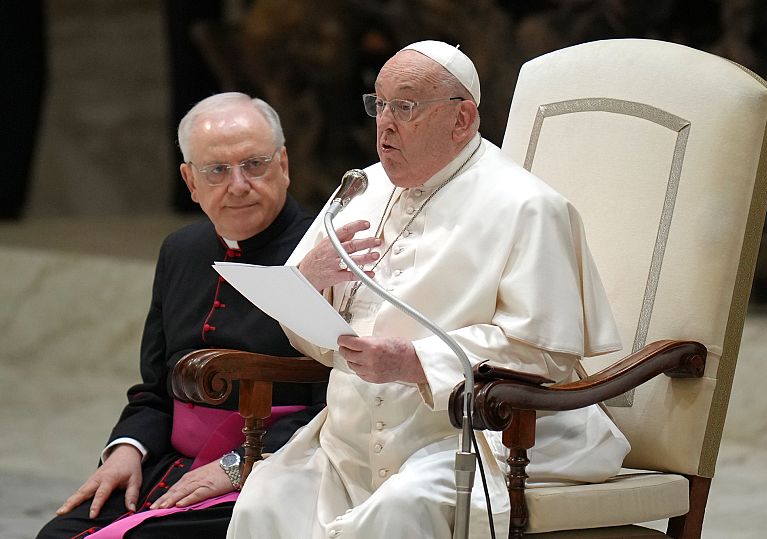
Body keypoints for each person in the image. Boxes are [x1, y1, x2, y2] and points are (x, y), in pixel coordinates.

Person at [227, 41, 630, 538]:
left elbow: (544, 354)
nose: (385, 123)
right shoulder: (359, 189)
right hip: (348, 443)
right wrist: (308, 282)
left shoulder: (527, 206)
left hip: (476, 440)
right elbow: (314, 336)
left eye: (406, 107)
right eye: (379, 104)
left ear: (461, 119)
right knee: (265, 502)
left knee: (401, 508)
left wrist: (414, 361)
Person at [37, 92, 326, 538]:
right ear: (190, 182)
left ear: (283, 165)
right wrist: (127, 449)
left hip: (276, 470)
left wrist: (236, 465)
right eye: (217, 170)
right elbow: (154, 389)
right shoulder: (181, 251)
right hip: (172, 465)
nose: (239, 184)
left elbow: (340, 400)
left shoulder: (325, 251)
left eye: (255, 164)